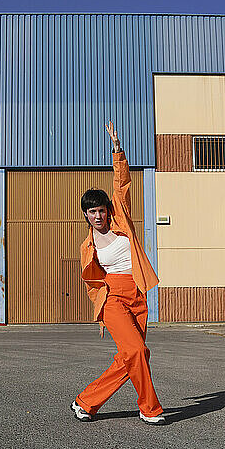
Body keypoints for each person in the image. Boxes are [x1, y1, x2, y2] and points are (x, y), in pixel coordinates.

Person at [70, 121, 165, 425]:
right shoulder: (88, 245)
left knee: (134, 356)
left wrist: (117, 150)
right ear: (85, 215)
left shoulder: (122, 223)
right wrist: (100, 309)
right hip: (112, 299)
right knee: (136, 350)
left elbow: (121, 185)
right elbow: (92, 282)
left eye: (101, 210)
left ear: (108, 210)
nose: (97, 215)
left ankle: (85, 401)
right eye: (91, 211)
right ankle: (149, 408)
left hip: (137, 293)